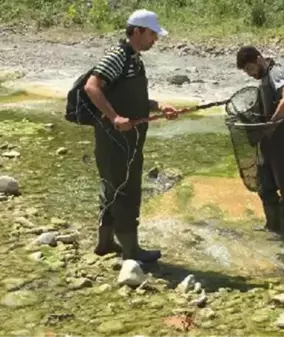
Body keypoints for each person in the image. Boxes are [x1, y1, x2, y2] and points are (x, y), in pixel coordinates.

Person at [84, 9, 179, 262]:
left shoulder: (135, 59)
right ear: (136, 31)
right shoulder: (117, 56)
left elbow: (130, 98)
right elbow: (91, 86)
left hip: (128, 139)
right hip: (115, 139)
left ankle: (105, 244)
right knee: (126, 190)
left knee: (112, 188)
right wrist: (115, 118)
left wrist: (158, 106)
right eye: (152, 34)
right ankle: (131, 251)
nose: (155, 40)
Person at [235, 46, 284, 240]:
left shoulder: (277, 73)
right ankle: (272, 227)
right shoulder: (263, 79)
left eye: (250, 69)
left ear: (259, 59)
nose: (250, 74)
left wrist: (272, 124)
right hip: (270, 144)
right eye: (246, 72)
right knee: (265, 184)